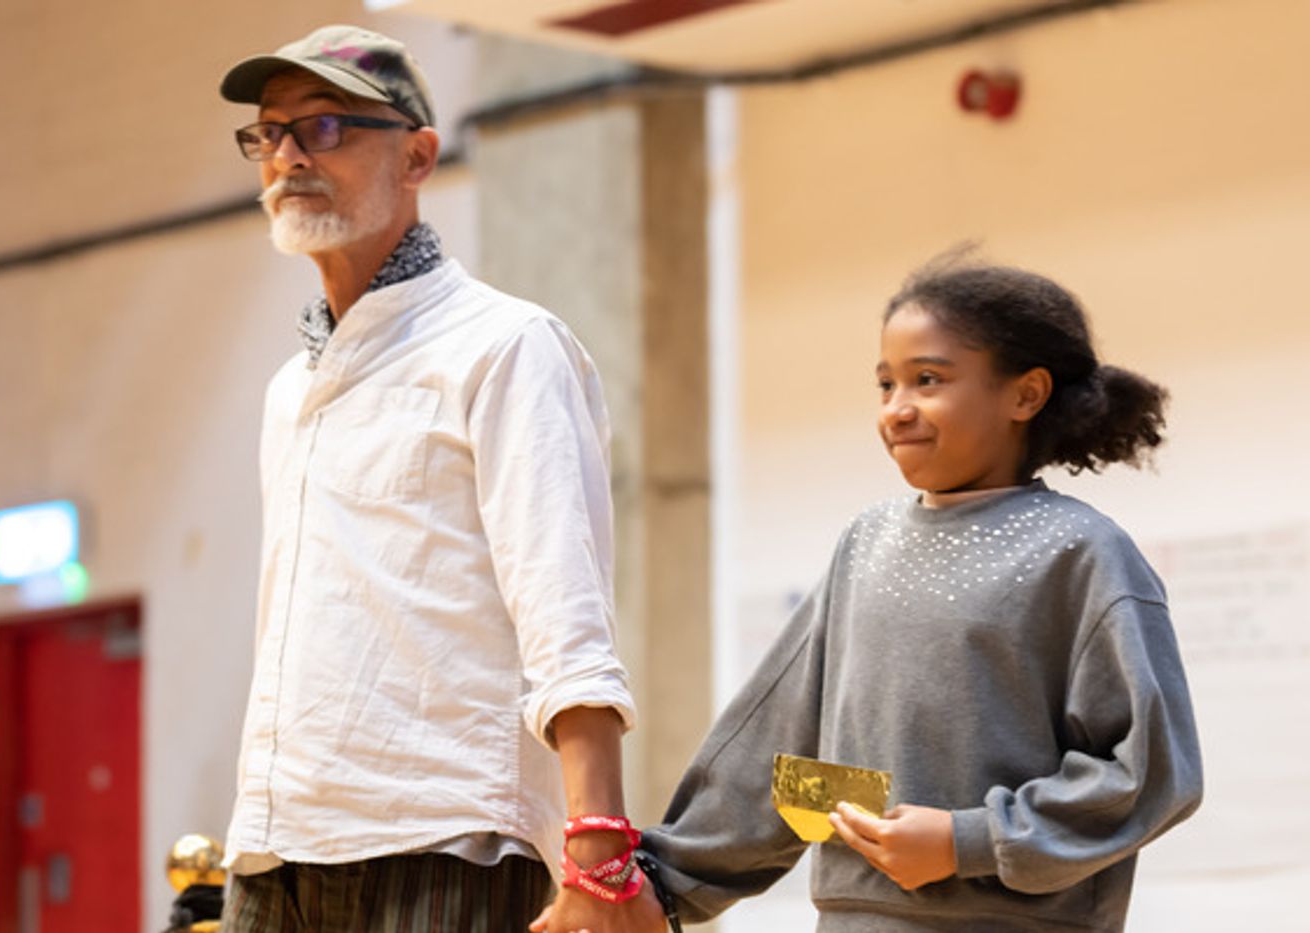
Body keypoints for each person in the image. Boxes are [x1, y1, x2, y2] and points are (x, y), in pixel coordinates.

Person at [215, 25, 659, 933]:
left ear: (417, 154)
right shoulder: (289, 386)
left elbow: (563, 608)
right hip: (277, 842)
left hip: (445, 839)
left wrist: (600, 841)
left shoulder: (503, 345)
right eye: (269, 133)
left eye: (326, 127)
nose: (289, 155)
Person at [625, 257, 1203, 931]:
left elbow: (1150, 771)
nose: (897, 409)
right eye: (885, 383)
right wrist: (661, 882)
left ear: (1025, 394)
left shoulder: (1082, 553)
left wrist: (969, 840)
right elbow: (779, 747)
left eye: (927, 379)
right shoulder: (864, 542)